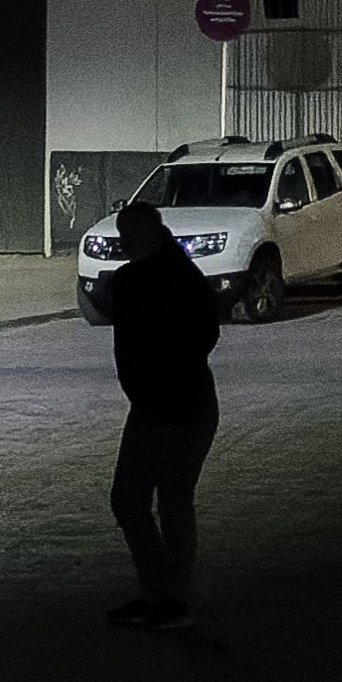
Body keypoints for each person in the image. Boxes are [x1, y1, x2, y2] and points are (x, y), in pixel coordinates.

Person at [102, 199, 220, 630]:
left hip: (168, 404)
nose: (122, 243)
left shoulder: (141, 280)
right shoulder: (180, 274)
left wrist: (153, 379)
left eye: (125, 235)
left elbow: (145, 344)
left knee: (143, 499)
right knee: (163, 499)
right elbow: (205, 334)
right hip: (177, 400)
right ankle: (166, 594)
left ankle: (167, 595)